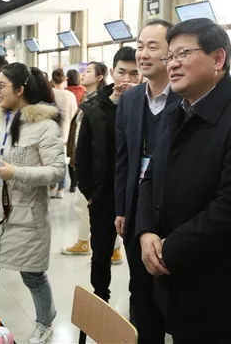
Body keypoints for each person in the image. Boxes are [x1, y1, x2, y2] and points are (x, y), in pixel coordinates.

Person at [136, 18, 231, 343]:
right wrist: (146, 232)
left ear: (217, 59)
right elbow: (151, 177)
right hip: (180, 278)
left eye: (183, 54)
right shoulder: (178, 110)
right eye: (170, 56)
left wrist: (168, 248)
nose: (172, 64)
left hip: (226, 289)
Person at [0, 63, 64, 344]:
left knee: (33, 276)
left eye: (2, 86)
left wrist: (17, 173)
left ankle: (45, 322)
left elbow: (57, 171)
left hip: (27, 215)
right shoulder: (1, 118)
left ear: (20, 90)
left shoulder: (45, 126)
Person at [114, 19, 177, 342]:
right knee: (140, 290)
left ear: (172, 52)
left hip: (174, 210)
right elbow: (123, 158)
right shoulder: (130, 99)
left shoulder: (186, 97)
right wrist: (122, 208)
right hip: (136, 207)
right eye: (140, 46)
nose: (144, 54)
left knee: (174, 294)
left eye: (153, 46)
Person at [75, 47, 141, 302]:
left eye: (134, 74)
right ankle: (101, 299)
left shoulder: (148, 105)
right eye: (122, 72)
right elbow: (82, 155)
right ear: (112, 73)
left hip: (137, 196)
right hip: (103, 196)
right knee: (101, 254)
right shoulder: (94, 108)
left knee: (137, 256)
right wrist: (89, 192)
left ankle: (138, 305)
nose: (127, 79)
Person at [63, 62, 107, 253]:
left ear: (100, 77)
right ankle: (108, 247)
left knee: (85, 206)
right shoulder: (87, 99)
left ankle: (84, 242)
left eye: (88, 71)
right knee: (85, 205)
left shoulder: (100, 102)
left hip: (92, 163)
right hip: (84, 159)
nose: (83, 74)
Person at [49, 69, 78, 199]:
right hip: (66, 132)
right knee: (62, 161)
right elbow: (75, 114)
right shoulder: (70, 95)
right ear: (65, 79)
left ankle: (52, 186)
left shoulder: (49, 93)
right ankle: (61, 188)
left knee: (50, 161)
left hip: (50, 131)